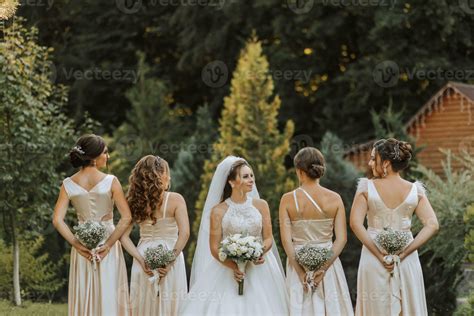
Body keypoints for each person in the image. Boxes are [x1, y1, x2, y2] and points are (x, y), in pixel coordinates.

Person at [180, 156, 289, 315]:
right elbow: (214, 247)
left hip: (261, 268)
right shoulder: (218, 211)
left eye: (251, 175)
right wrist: (234, 267)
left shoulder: (261, 205)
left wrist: (259, 251)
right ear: (231, 182)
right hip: (227, 269)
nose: (251, 180)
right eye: (245, 176)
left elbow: (268, 238)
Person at [350, 138, 439, 316]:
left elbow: (355, 223)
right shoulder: (415, 190)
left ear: (386, 163)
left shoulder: (366, 188)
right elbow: (432, 225)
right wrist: (405, 253)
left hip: (373, 260)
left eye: (373, 158)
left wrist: (379, 255)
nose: (370, 162)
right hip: (406, 262)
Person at [52, 134, 132, 315]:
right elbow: (126, 217)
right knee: (110, 290)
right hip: (108, 243)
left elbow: (57, 220)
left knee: (84, 289)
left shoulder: (67, 184)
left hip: (82, 244)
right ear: (94, 157)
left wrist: (77, 245)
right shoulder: (111, 181)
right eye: (105, 152)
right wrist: (109, 245)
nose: (108, 156)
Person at [280, 147, 353, 315]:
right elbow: (341, 239)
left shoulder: (288, 199)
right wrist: (324, 268)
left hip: (297, 260)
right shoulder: (335, 198)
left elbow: (286, 240)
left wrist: (299, 272)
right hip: (328, 261)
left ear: (299, 171)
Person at [121, 155, 189, 315]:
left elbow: (123, 237)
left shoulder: (134, 201)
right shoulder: (176, 199)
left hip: (144, 256)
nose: (169, 176)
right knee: (171, 304)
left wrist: (140, 260)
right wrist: (169, 261)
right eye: (167, 172)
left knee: (144, 304)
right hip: (171, 253)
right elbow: (184, 233)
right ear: (159, 175)